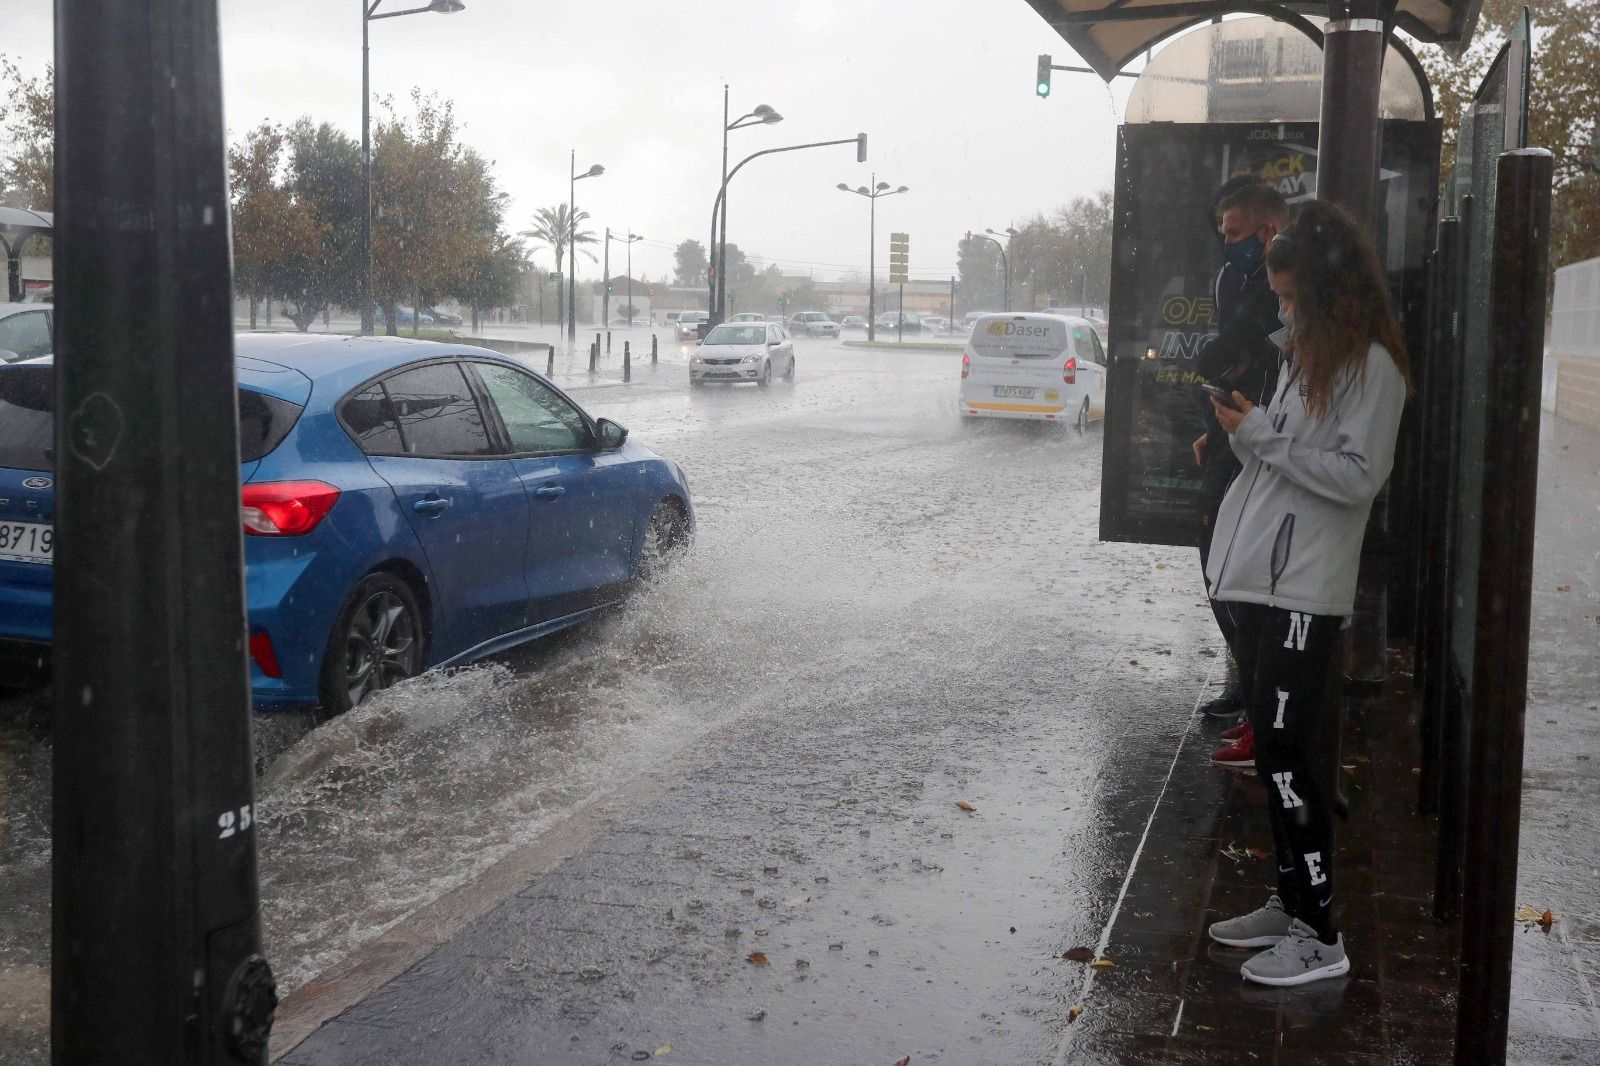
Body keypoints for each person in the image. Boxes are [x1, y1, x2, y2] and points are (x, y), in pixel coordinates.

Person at [1202, 199, 1410, 986]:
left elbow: (1357, 480)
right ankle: (1291, 904)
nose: (1281, 309)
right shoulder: (1306, 361)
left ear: (1326, 292)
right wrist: (1245, 429)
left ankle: (1321, 936)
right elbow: (1283, 458)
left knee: (1290, 760)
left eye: (1291, 297)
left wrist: (1260, 436)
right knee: (1277, 756)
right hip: (1263, 583)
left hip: (1302, 592)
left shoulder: (1371, 370)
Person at [1191, 182, 1291, 757]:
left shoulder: (1282, 290)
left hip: (1260, 441)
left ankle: (1264, 711)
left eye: (1232, 233)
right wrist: (1215, 422)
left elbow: (1251, 354)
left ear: (1266, 232)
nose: (1226, 244)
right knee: (1220, 562)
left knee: (1232, 563)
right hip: (1241, 431)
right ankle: (1254, 700)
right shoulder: (1239, 281)